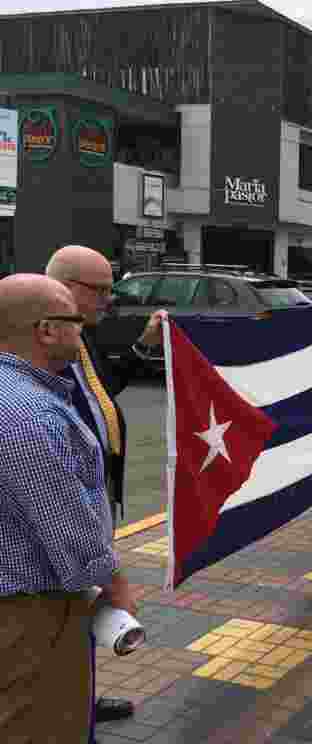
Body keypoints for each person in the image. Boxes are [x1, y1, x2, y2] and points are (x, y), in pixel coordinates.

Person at [0, 274, 138, 743]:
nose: (83, 329)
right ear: (46, 330)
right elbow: (68, 527)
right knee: (42, 724)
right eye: (74, 321)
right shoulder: (30, 415)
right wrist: (115, 586)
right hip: (31, 608)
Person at [46, 244, 163, 726]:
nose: (108, 300)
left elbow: (104, 391)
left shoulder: (80, 339)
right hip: (62, 503)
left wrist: (147, 343)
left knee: (83, 608)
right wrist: (112, 577)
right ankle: (65, 707)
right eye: (100, 290)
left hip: (95, 494)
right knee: (66, 607)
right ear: (66, 289)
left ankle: (81, 698)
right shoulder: (41, 348)